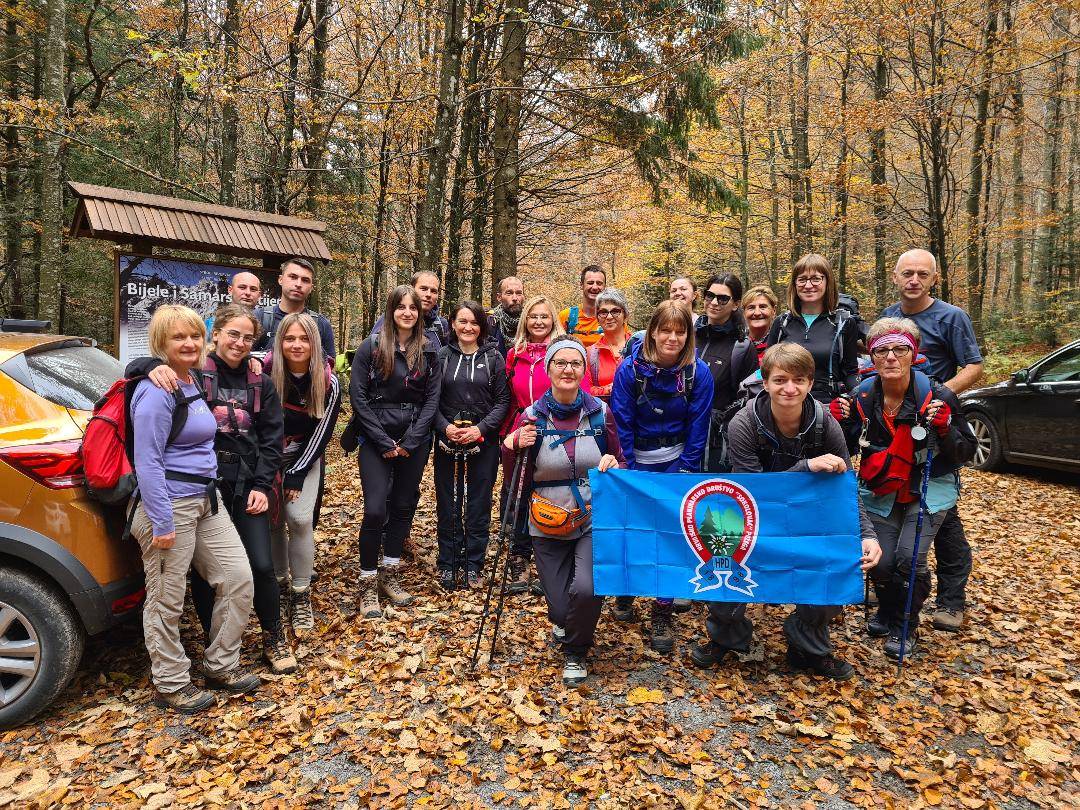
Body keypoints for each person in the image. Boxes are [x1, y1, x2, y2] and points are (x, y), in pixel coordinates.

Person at [691, 343, 882, 680]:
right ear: (765, 382)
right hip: (748, 514)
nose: (789, 388)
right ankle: (727, 637)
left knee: (832, 567)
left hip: (808, 515)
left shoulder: (826, 424)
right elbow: (754, 494)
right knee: (722, 568)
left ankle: (807, 643)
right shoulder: (743, 423)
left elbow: (845, 488)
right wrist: (805, 467)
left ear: (810, 383)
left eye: (798, 380)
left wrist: (866, 534)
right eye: (780, 380)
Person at [136, 304, 295, 675]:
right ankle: (210, 646)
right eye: (232, 334)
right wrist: (145, 366)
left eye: (247, 337)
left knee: (256, 566)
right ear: (217, 334)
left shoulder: (258, 382)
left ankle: (271, 635)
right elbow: (142, 382)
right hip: (196, 489)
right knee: (201, 575)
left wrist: (263, 486)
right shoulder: (186, 376)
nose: (239, 343)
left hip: (241, 485)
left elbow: (273, 439)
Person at [128, 304, 257, 713]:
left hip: (206, 500)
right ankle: (171, 682)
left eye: (194, 336)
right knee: (166, 598)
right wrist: (162, 522)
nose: (188, 343)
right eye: (177, 337)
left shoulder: (189, 381)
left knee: (238, 578)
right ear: (161, 343)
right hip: (169, 506)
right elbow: (147, 461)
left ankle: (220, 664)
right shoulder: (155, 391)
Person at [830, 318, 975, 658]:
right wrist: (841, 421)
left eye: (900, 349)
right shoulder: (862, 396)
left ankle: (904, 624)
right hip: (881, 489)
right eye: (882, 350)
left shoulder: (938, 396)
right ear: (872, 356)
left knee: (909, 559)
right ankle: (887, 609)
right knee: (879, 562)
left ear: (914, 354)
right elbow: (849, 448)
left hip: (929, 488)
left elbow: (965, 451)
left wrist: (945, 428)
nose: (891, 357)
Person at [504, 337, 626, 686]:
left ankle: (576, 652)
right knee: (559, 607)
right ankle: (568, 623)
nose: (568, 369)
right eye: (561, 363)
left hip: (592, 515)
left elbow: (622, 460)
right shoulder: (530, 417)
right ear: (549, 369)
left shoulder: (601, 413)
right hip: (547, 517)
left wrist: (613, 462)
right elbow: (516, 476)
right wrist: (511, 446)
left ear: (583, 371)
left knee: (587, 590)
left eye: (575, 363)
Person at [882, 249, 984, 632]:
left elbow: (974, 366)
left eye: (922, 274)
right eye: (907, 273)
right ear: (895, 276)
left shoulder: (951, 317)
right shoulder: (889, 318)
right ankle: (893, 586)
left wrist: (940, 395)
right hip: (898, 429)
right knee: (899, 506)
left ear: (934, 278)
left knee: (943, 514)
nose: (914, 280)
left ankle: (951, 601)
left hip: (938, 427)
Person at [610, 301, 713, 654]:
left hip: (677, 461)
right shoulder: (629, 371)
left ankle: (662, 607)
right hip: (637, 460)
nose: (672, 337)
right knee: (633, 528)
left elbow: (700, 425)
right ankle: (625, 590)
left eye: (680, 331)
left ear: (688, 335)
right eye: (665, 329)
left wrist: (687, 469)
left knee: (671, 535)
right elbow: (621, 422)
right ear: (652, 330)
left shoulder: (698, 374)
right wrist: (629, 469)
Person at [349, 285, 442, 618]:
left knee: (403, 504)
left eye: (413, 308)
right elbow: (357, 397)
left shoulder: (430, 351)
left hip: (414, 438)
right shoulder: (371, 347)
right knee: (375, 509)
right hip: (376, 438)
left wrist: (412, 440)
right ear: (391, 311)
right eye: (401, 307)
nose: (407, 312)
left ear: (420, 313)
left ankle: (390, 571)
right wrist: (383, 442)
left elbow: (433, 399)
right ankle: (367, 580)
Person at [268, 312, 342, 637]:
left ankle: (300, 592)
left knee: (298, 519)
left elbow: (322, 432)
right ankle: (280, 582)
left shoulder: (328, 381)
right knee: (273, 520)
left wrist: (296, 473)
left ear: (314, 343)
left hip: (304, 456)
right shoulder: (265, 371)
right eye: (290, 338)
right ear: (280, 341)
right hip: (269, 457)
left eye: (303, 339)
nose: (296, 345)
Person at [434, 301, 510, 589]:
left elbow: (503, 401)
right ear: (452, 324)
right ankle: (448, 561)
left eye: (474, 322)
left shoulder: (494, 358)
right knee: (447, 499)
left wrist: (481, 428)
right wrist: (445, 427)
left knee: (479, 500)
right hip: (447, 438)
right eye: (462, 321)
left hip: (483, 440)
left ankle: (474, 562)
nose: (468, 327)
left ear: (482, 326)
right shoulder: (441, 356)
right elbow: (432, 400)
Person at [502, 295, 565, 594]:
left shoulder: (562, 352)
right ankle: (519, 556)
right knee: (518, 492)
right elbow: (510, 398)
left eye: (544, 316)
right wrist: (507, 435)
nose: (538, 322)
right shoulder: (515, 354)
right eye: (533, 316)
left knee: (550, 491)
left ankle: (548, 559)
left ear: (553, 319)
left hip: (555, 429)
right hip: (521, 427)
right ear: (525, 320)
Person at [766, 254, 859, 403]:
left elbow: (851, 373)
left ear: (827, 282)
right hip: (786, 404)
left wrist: (854, 398)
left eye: (816, 279)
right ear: (794, 285)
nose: (808, 285)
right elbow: (766, 369)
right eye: (802, 279)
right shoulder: (782, 323)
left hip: (829, 406)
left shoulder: (844, 323)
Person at [696, 274, 758, 472]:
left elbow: (748, 399)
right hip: (681, 431)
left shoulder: (742, 347)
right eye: (709, 295)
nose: (714, 302)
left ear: (735, 304)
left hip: (716, 440)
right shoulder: (688, 336)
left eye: (722, 298)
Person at [252, 257, 336, 359]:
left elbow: (329, 368)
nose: (298, 284)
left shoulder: (321, 324)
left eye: (305, 280)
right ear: (280, 279)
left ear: (311, 288)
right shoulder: (257, 318)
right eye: (293, 277)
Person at [371, 270, 451, 348]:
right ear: (412, 289)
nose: (428, 294)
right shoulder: (390, 319)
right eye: (423, 289)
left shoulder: (441, 325)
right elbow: (373, 350)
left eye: (434, 291)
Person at [585, 288, 631, 401]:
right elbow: (584, 390)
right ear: (597, 317)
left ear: (625, 315)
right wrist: (608, 390)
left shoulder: (639, 346)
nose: (609, 317)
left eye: (615, 311)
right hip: (605, 415)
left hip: (639, 415)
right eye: (603, 312)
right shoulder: (590, 353)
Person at [558, 265, 607, 347]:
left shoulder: (612, 317)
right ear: (581, 285)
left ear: (604, 287)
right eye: (590, 283)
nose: (594, 287)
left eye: (599, 283)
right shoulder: (565, 316)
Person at [742, 285, 778, 365]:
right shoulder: (736, 343)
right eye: (751, 308)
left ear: (774, 311)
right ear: (744, 313)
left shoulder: (781, 342)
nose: (757, 313)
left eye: (763, 307)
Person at [490, 276, 525, 355]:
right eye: (509, 293)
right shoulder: (491, 322)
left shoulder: (531, 323)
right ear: (499, 297)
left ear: (523, 297)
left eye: (519, 293)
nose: (515, 298)